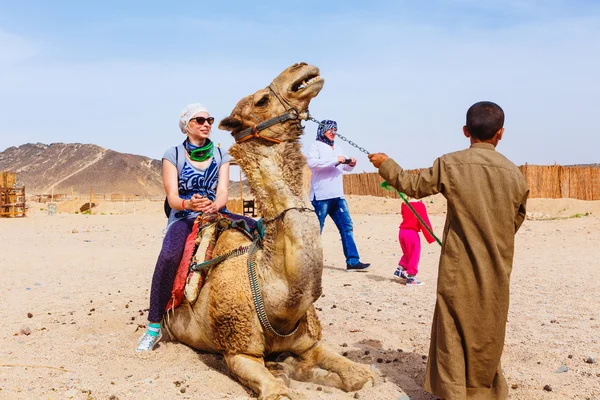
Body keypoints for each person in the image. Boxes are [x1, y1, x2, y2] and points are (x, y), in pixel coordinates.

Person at [368, 101, 529, 399]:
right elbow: (516, 219)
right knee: (489, 324)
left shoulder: (450, 163)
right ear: (501, 134)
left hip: (458, 266)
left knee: (453, 324)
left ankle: (454, 389)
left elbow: (411, 186)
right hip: (497, 266)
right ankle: (484, 389)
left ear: (466, 131)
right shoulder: (514, 174)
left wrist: (385, 163)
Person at [136, 103, 231, 352]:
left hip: (214, 212)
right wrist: (188, 203)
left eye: (209, 119)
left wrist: (214, 205)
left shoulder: (221, 155)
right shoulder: (173, 155)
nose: (207, 124)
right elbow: (172, 198)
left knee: (255, 234)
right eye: (199, 120)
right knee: (169, 256)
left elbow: (222, 192)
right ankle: (154, 326)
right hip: (184, 216)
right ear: (187, 126)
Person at [307, 120, 370, 272]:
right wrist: (336, 160)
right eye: (330, 129)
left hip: (338, 196)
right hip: (321, 197)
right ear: (323, 130)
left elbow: (344, 168)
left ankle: (353, 262)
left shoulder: (338, 147)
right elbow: (312, 164)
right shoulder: (316, 146)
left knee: (346, 227)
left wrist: (350, 164)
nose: (333, 131)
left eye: (335, 129)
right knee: (316, 230)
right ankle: (309, 263)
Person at [394, 199, 435, 285]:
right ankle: (411, 277)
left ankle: (400, 270)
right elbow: (424, 222)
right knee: (414, 254)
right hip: (411, 234)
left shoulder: (404, 204)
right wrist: (431, 237)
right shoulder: (419, 206)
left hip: (402, 232)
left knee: (408, 253)